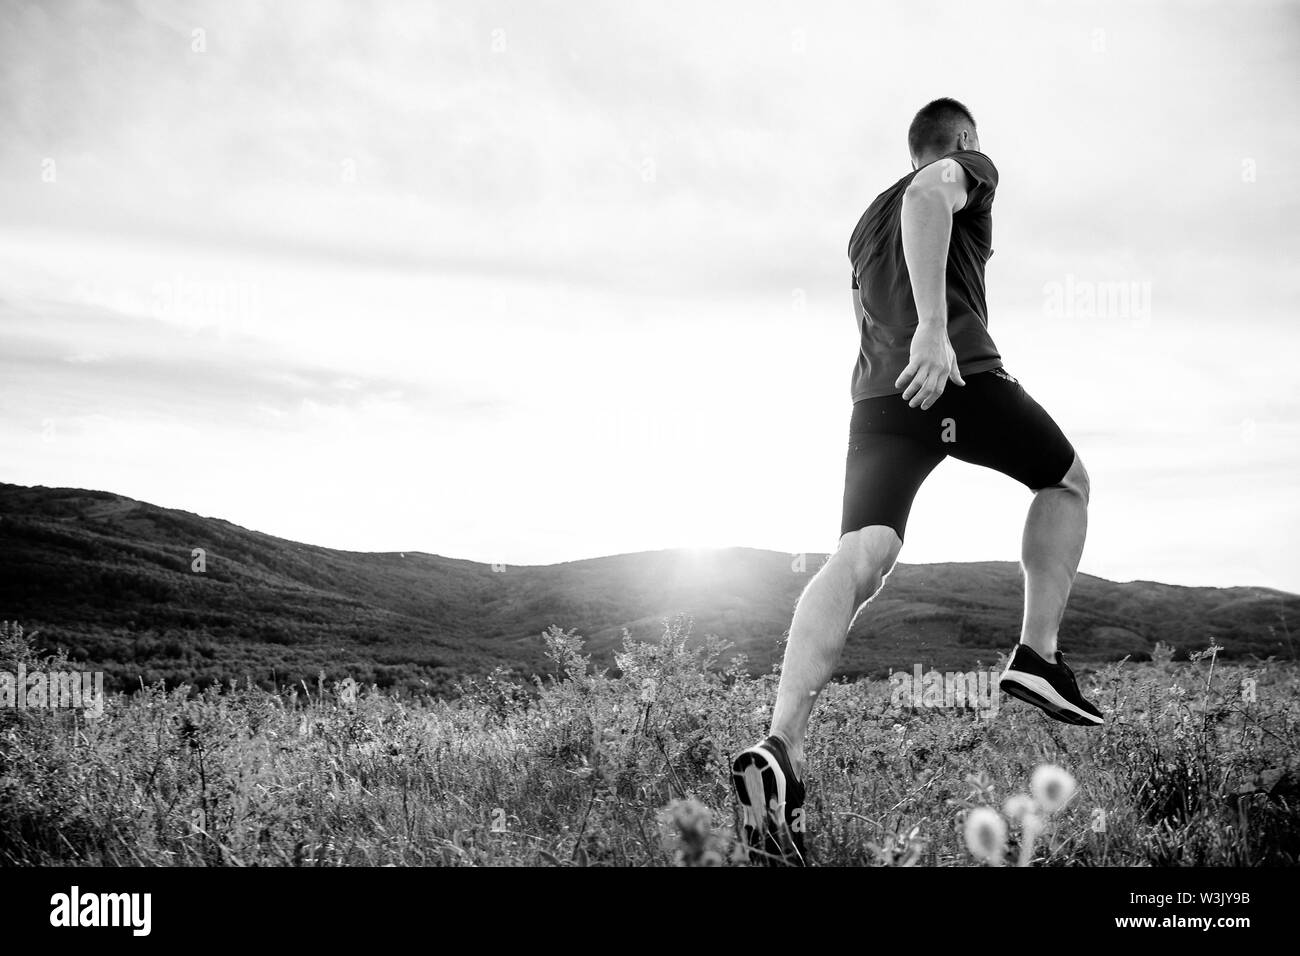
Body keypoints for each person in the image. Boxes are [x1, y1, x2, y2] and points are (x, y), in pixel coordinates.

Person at [731, 98, 1102, 866]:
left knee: (860, 556)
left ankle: (781, 745)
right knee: (1066, 482)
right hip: (952, 371)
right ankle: (1037, 655)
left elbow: (871, 299)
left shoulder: (864, 222)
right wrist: (935, 330)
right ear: (962, 139)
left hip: (878, 398)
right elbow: (929, 196)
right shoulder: (963, 167)